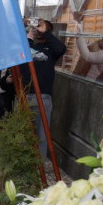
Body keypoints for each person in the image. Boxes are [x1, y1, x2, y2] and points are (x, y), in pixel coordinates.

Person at [19, 17, 66, 160]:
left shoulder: (52, 49)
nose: (37, 29)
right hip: (23, 95)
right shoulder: (27, 45)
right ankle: (21, 164)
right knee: (21, 134)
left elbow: (61, 49)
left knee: (41, 134)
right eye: (36, 27)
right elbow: (16, 53)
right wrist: (26, 32)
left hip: (43, 96)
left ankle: (38, 165)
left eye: (41, 27)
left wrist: (46, 33)